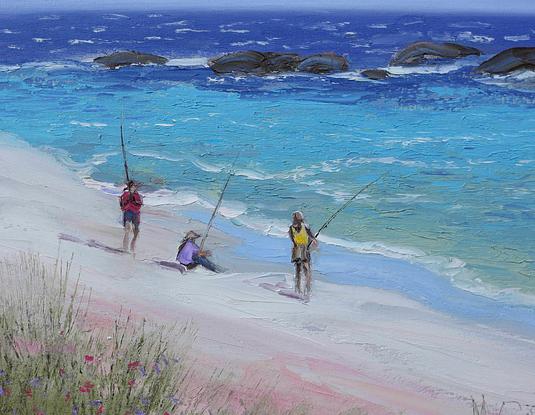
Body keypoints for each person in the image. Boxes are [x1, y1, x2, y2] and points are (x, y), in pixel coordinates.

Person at [288, 211, 318, 297]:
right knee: (306, 270)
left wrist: (310, 241)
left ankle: (299, 289)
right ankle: (306, 290)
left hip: (297, 249)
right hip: (303, 249)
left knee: (299, 270)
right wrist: (312, 241)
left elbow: (293, 240)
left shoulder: (291, 228)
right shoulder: (305, 227)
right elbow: (312, 237)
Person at [119, 180, 143, 252]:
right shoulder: (126, 194)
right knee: (127, 230)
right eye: (132, 186)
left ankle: (132, 248)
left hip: (136, 214)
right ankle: (125, 248)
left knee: (136, 232)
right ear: (129, 187)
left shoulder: (138, 195)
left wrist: (135, 201)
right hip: (128, 212)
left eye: (134, 187)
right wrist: (125, 205)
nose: (133, 188)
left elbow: (139, 204)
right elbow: (122, 203)